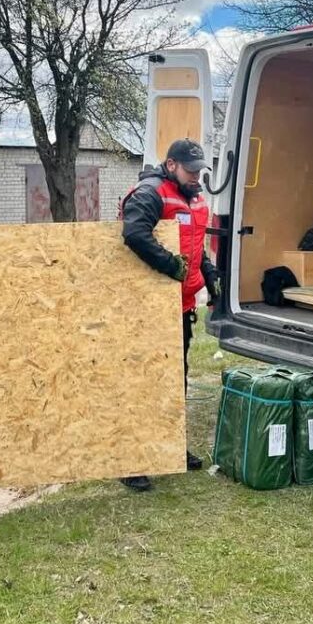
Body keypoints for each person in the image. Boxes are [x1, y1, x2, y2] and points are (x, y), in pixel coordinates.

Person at [119, 138, 220, 491]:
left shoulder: (196, 200)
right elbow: (134, 233)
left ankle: (171, 448)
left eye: (199, 171)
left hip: (182, 307)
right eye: (190, 170)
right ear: (172, 164)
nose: (195, 176)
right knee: (144, 383)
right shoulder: (151, 193)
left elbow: (195, 248)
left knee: (176, 381)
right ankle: (131, 461)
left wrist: (210, 275)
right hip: (148, 309)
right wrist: (170, 265)